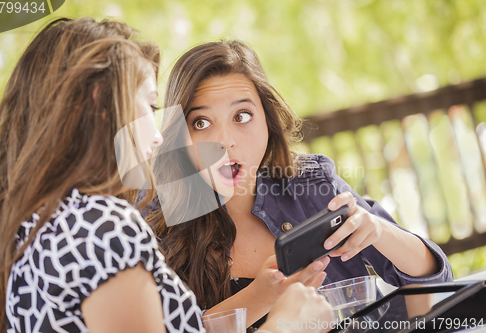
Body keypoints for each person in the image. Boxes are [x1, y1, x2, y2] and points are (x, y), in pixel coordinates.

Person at [0, 18, 333, 333]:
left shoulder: (34, 225)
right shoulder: (105, 228)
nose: (158, 133)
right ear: (101, 105)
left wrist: (262, 295)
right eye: (149, 106)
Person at [137, 40, 454, 330]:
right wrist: (262, 296)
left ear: (268, 121)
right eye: (201, 123)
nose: (225, 142)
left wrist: (381, 232)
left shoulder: (311, 185)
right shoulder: (155, 224)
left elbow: (435, 280)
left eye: (242, 116)